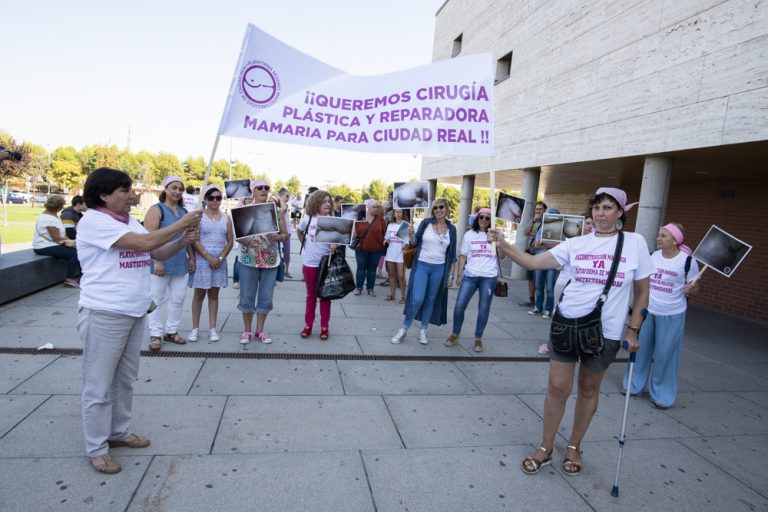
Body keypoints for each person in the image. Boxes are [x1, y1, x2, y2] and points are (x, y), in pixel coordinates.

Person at [489, 187, 652, 477]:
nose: (600, 213)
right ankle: (546, 446)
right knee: (556, 387)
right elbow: (533, 262)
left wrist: (633, 330)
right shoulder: (576, 244)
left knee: (589, 388)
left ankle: (574, 446)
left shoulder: (635, 243)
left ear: (621, 213)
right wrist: (503, 244)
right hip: (567, 324)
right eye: (597, 207)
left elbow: (642, 292)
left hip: (607, 331)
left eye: (608, 207)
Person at [76, 167, 201, 474]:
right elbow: (143, 244)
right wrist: (183, 222)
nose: (132, 194)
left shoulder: (128, 220)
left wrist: (183, 241)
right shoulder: (94, 221)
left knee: (125, 379)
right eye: (124, 190)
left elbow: (157, 249)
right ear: (104, 195)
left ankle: (119, 432)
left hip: (134, 311)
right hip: (104, 312)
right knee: (99, 385)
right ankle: (96, 447)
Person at [623, 223, 699, 409]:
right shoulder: (652, 256)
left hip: (672, 314)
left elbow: (696, 287)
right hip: (648, 313)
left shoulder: (688, 261)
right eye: (658, 234)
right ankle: (633, 386)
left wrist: (692, 288)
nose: (658, 238)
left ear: (675, 240)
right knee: (640, 352)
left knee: (666, 356)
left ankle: (662, 396)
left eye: (663, 235)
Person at [392, 197, 457, 345]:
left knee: (430, 300)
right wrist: (411, 234)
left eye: (441, 207)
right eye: (435, 208)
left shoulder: (452, 229)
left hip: (439, 269)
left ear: (446, 209)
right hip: (422, 265)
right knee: (417, 299)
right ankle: (404, 328)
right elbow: (414, 243)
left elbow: (452, 255)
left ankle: (423, 330)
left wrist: (451, 275)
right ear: (432, 210)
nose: (438, 210)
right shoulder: (426, 223)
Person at [237, 179, 289, 344]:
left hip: (270, 260)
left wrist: (278, 236)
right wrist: (247, 242)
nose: (264, 190)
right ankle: (247, 331)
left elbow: (285, 235)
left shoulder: (277, 211)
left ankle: (260, 330)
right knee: (247, 296)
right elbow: (238, 236)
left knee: (266, 296)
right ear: (253, 191)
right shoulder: (243, 210)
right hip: (248, 259)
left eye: (267, 187)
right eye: (260, 188)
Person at [143, 176, 192, 351]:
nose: (177, 191)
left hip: (180, 261)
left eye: (180, 189)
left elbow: (188, 238)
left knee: (178, 299)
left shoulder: (184, 212)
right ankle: (155, 333)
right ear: (165, 189)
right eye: (174, 188)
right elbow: (149, 238)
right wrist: (157, 260)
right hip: (160, 261)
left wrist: (191, 258)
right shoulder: (156, 210)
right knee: (156, 299)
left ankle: (171, 331)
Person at [444, 207, 498, 353]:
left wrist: (498, 242)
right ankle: (455, 334)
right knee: (459, 306)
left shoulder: (496, 235)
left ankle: (478, 338)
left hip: (489, 277)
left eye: (487, 218)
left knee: (484, 309)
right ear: (477, 218)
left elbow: (503, 256)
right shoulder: (469, 234)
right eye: (482, 217)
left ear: (491, 220)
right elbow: (463, 256)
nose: (484, 220)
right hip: (470, 276)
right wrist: (459, 275)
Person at [539, 215, 594, 355]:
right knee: (557, 312)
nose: (589, 226)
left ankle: (578, 343)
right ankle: (551, 342)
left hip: (583, 287)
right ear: (580, 225)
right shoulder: (571, 242)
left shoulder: (597, 245)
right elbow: (558, 266)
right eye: (587, 223)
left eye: (592, 224)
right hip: (563, 282)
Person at [187, 185, 233, 343]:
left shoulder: (227, 218)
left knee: (214, 295)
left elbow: (230, 241)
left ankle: (212, 328)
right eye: (211, 198)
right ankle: (195, 328)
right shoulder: (198, 217)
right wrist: (208, 257)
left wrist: (219, 258)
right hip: (202, 261)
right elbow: (194, 239)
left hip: (219, 263)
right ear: (205, 199)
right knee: (198, 295)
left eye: (218, 198)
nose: (215, 200)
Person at [297, 190, 336, 340]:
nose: (327, 204)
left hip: (326, 264)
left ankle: (324, 327)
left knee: (325, 297)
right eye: (324, 201)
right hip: (310, 264)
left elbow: (339, 239)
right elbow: (299, 232)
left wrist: (335, 245)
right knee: (311, 296)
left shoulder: (333, 220)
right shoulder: (307, 219)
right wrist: (306, 245)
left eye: (329, 201)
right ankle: (308, 325)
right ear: (316, 203)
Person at [32, 195, 80, 288]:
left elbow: (62, 234)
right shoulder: (48, 219)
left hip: (50, 244)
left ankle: (81, 276)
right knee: (76, 254)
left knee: (79, 251)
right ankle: (69, 279)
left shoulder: (52, 215)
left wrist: (70, 241)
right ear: (59, 206)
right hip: (43, 246)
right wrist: (72, 243)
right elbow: (56, 238)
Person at [529, 207, 561, 320]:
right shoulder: (542, 227)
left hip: (553, 262)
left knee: (550, 287)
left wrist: (545, 243)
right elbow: (537, 244)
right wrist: (550, 244)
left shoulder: (560, 230)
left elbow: (560, 246)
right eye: (548, 215)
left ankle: (548, 309)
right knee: (539, 285)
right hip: (540, 260)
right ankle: (538, 307)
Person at [353, 199, 387, 296]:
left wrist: (386, 240)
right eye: (374, 207)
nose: (376, 209)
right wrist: (354, 234)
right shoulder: (360, 218)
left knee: (372, 269)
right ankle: (359, 288)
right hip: (361, 249)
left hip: (376, 250)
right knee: (361, 268)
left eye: (377, 207)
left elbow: (385, 233)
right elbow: (354, 231)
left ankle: (370, 288)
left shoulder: (380, 219)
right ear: (367, 207)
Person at [519, 201, 547, 307]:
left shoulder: (547, 221)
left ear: (545, 210)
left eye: (540, 209)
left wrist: (534, 233)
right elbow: (525, 232)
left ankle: (539, 302)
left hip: (541, 253)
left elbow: (545, 236)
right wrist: (533, 221)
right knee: (531, 277)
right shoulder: (533, 220)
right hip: (531, 251)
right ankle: (531, 300)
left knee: (539, 278)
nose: (538, 211)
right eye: (536, 209)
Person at [384, 208, 408, 303]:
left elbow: (409, 241)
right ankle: (392, 294)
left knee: (401, 276)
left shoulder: (405, 226)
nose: (398, 214)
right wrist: (386, 240)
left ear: (403, 213)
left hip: (401, 255)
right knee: (391, 274)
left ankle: (403, 297)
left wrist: (405, 245)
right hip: (390, 254)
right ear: (394, 214)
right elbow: (387, 238)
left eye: (399, 212)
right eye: (396, 212)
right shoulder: (390, 225)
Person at [279, 187, 294, 278]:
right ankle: (277, 272)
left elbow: (285, 207)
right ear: (281, 196)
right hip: (279, 233)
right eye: (287, 196)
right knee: (277, 253)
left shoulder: (286, 205)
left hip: (287, 232)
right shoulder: (278, 204)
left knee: (287, 253)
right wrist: (280, 199)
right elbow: (283, 209)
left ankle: (286, 270)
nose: (288, 198)